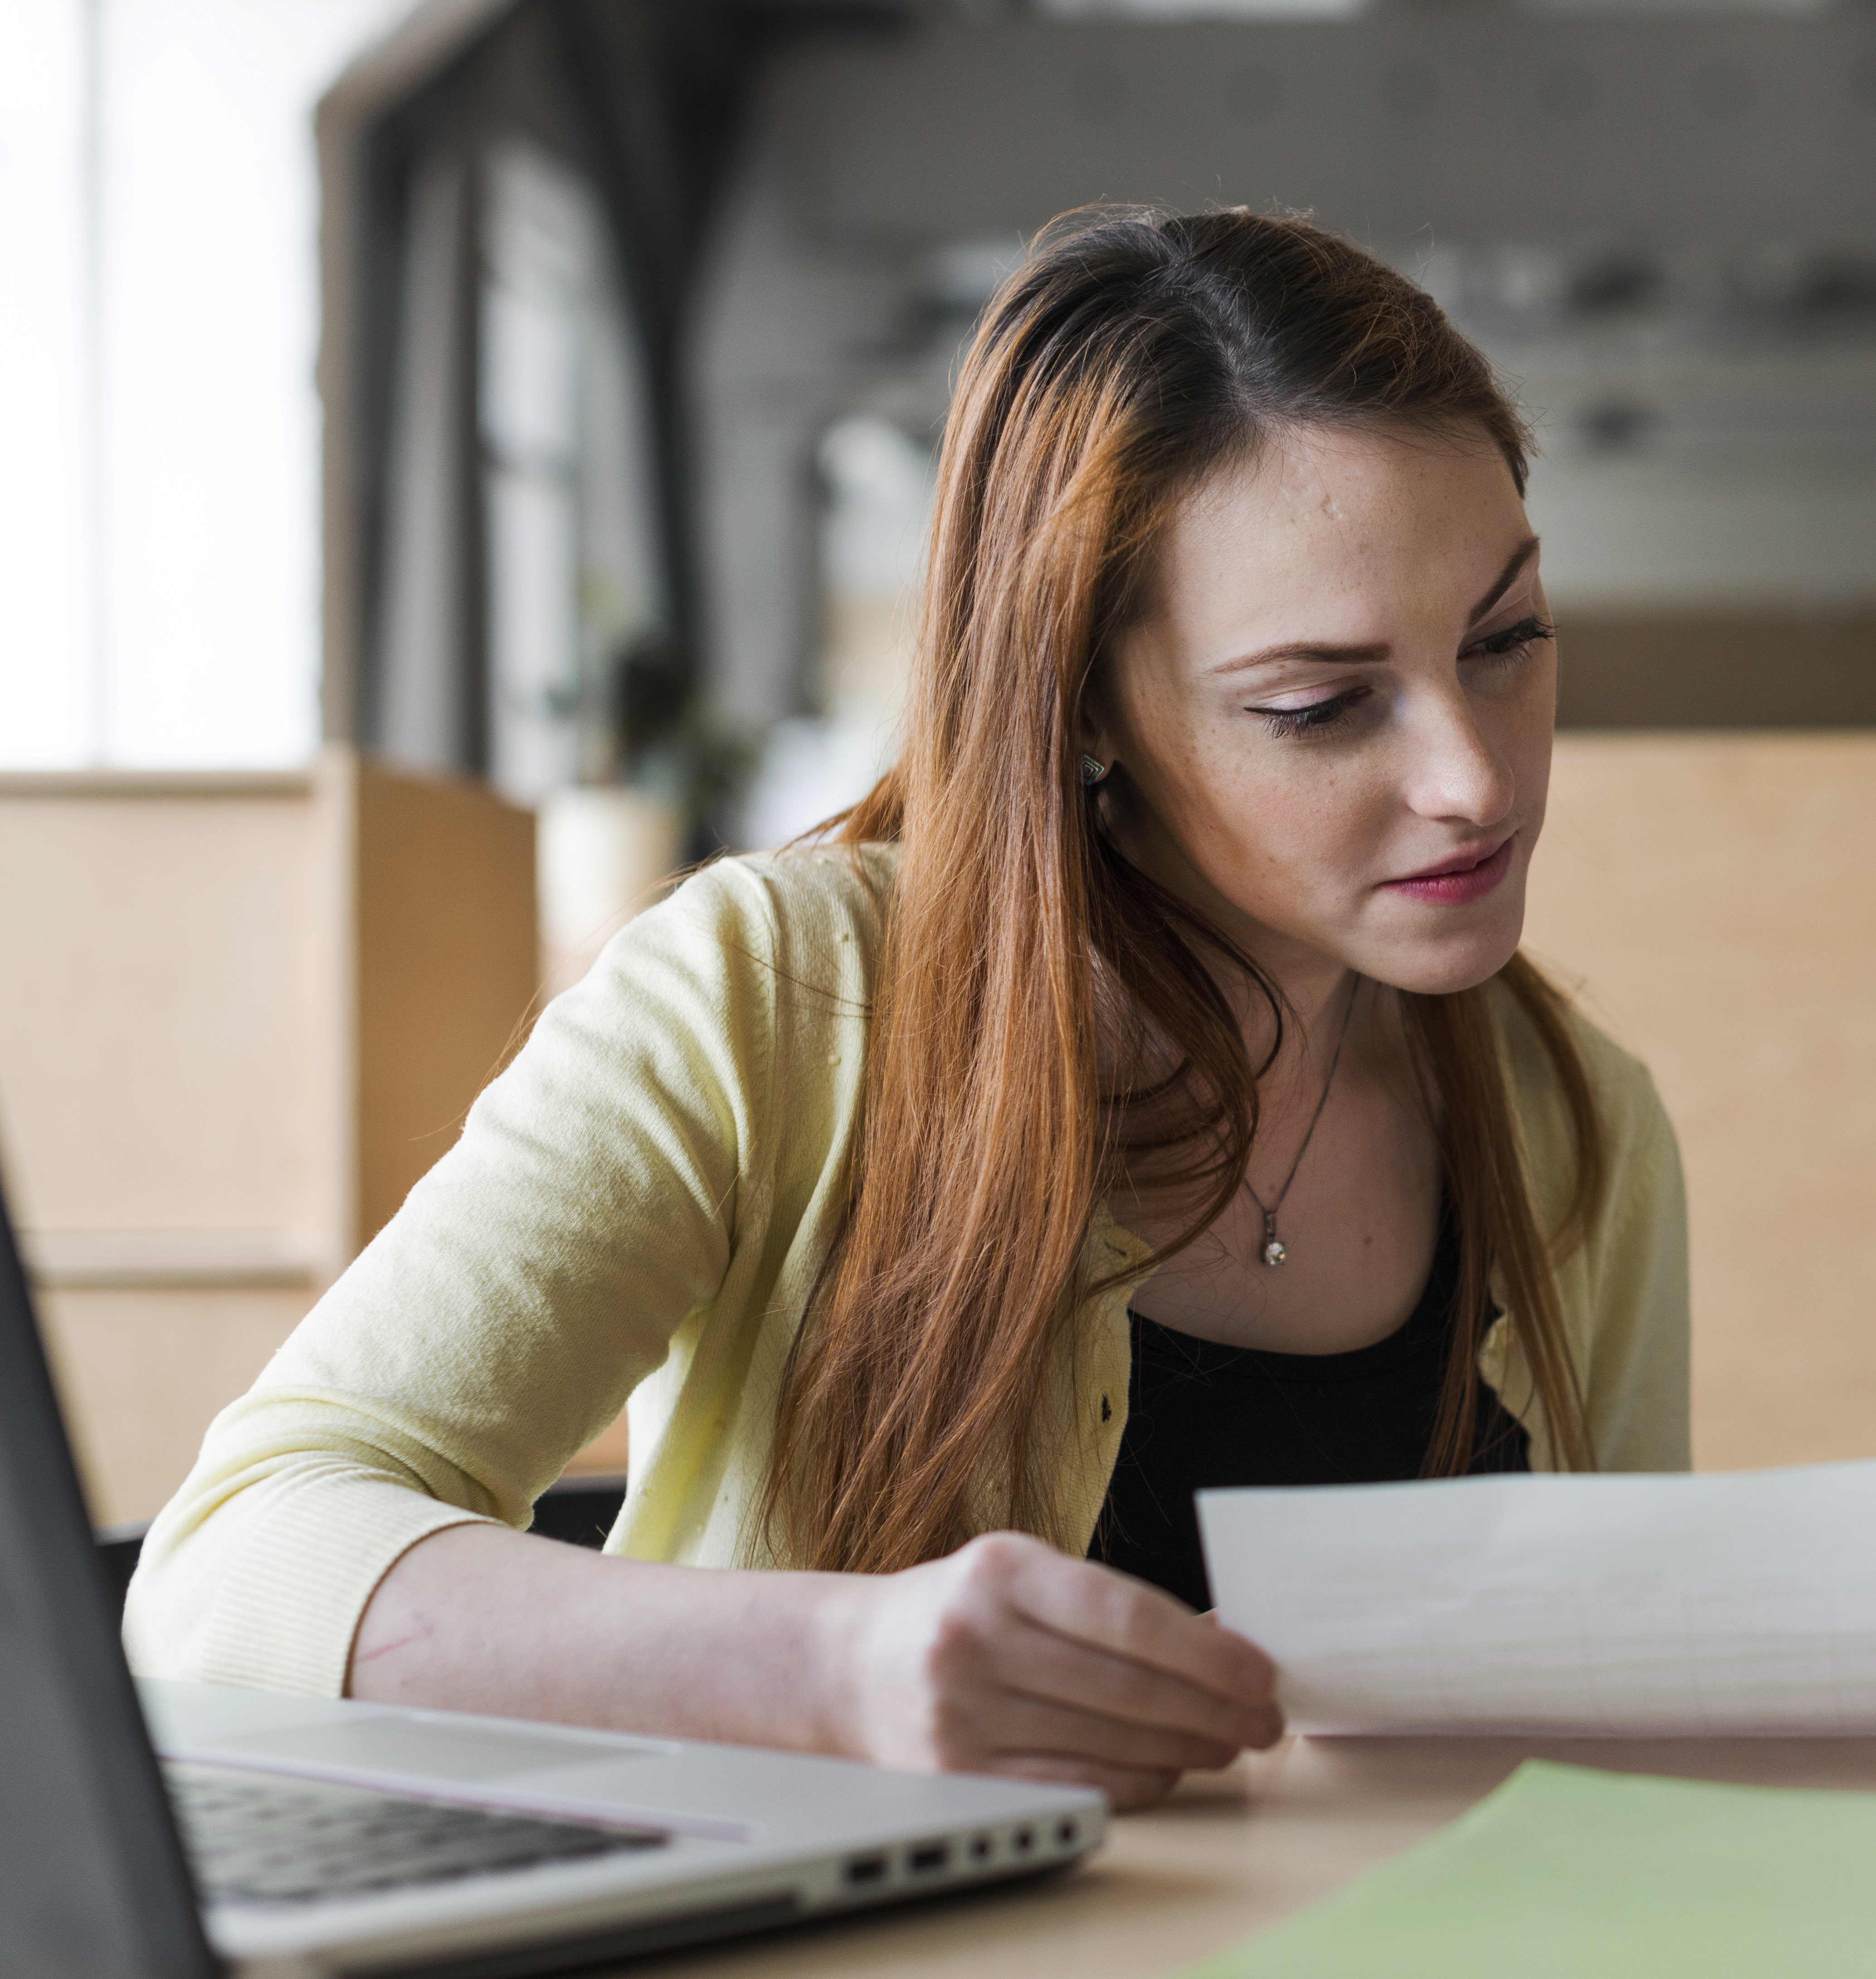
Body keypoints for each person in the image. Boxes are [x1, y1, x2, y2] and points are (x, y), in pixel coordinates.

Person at [127, 210, 1690, 1808]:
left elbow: (1611, 1738)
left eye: (1507, 641)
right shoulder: (763, 999)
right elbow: (230, 1564)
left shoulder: (1581, 1123)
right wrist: (831, 1671)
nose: (1476, 779)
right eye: (1318, 706)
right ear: (1082, 701)